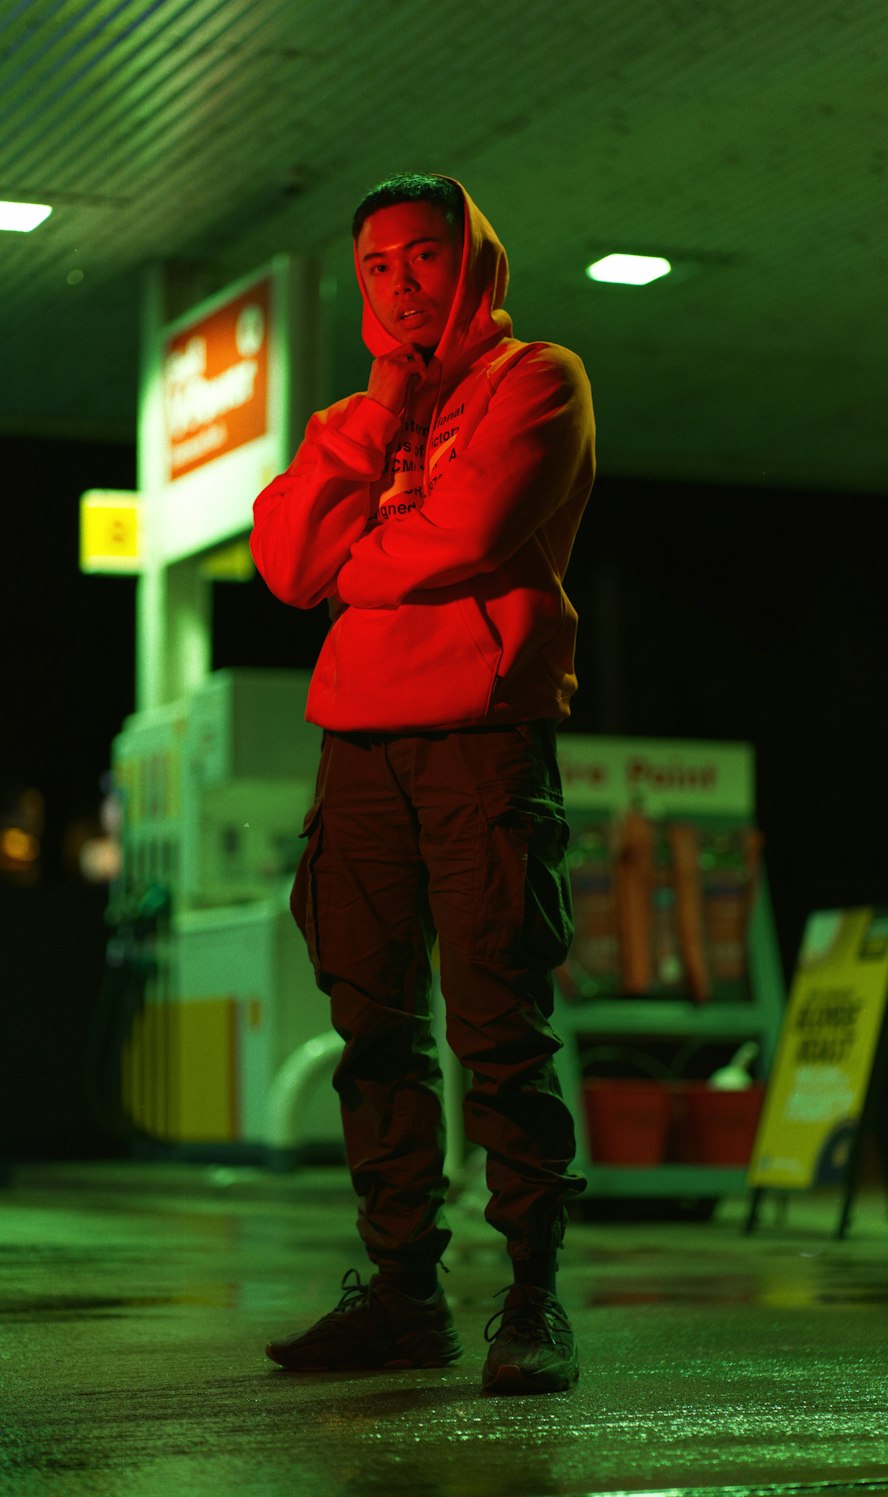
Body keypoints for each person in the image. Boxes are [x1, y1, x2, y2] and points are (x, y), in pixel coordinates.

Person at [250, 172, 595, 1395]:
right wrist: (380, 415)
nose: (400, 283)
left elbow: (467, 534)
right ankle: (402, 1295)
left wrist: (358, 564)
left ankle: (533, 1299)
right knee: (371, 1031)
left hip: (479, 738)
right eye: (376, 266)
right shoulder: (353, 417)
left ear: (475, 264)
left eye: (423, 257)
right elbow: (290, 560)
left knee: (499, 1025)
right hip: (359, 752)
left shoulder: (537, 381)